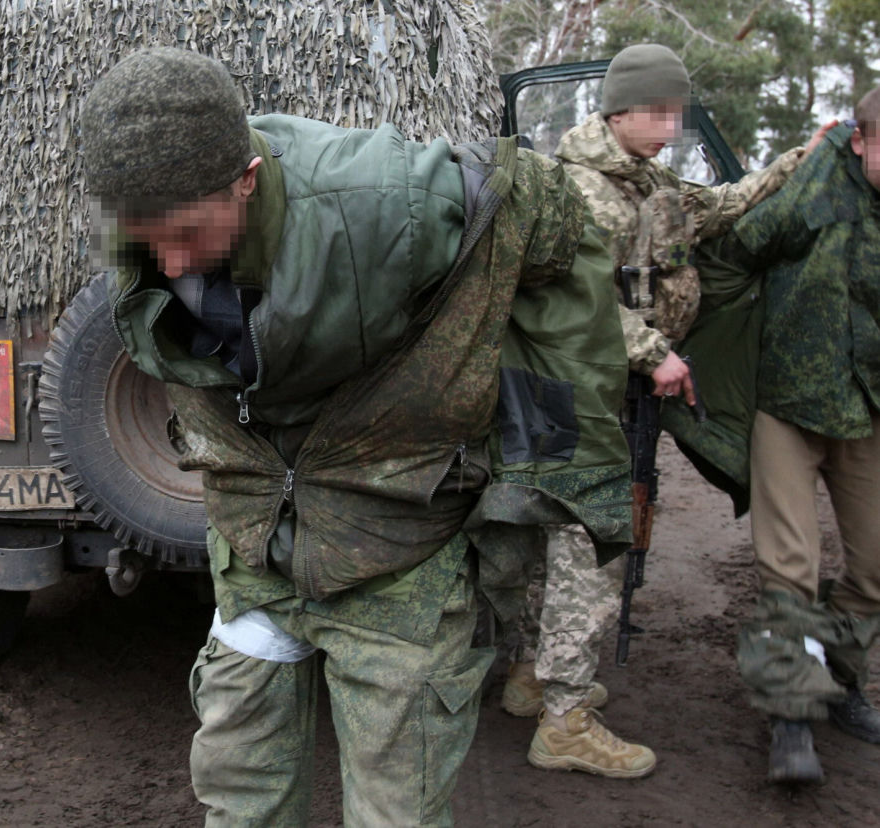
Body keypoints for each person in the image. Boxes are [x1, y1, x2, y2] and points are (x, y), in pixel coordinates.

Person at [80, 47, 632, 825]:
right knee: (239, 790)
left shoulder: (382, 202)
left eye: (187, 234)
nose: (168, 263)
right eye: (144, 240)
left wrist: (543, 455)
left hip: (397, 546)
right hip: (256, 548)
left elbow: (550, 217)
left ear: (246, 180)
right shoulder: (143, 234)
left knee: (395, 808)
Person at [502, 42, 829, 779]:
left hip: (589, 388)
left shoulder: (648, 180)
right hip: (574, 388)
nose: (674, 122)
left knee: (550, 530)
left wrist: (797, 162)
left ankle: (531, 673)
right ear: (620, 111)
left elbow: (719, 207)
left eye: (678, 109)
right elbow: (571, 299)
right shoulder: (579, 186)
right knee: (590, 541)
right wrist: (655, 352)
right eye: (662, 110)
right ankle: (566, 716)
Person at [719, 87, 880, 784]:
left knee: (874, 571)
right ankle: (791, 714)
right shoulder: (819, 178)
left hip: (869, 411)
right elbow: (742, 244)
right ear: (862, 140)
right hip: (787, 403)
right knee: (789, 573)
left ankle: (843, 683)